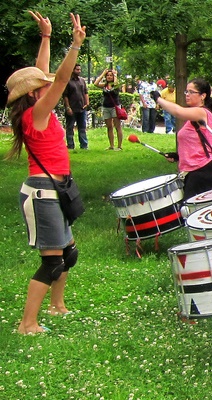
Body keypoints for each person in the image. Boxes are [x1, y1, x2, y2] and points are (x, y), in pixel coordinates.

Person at [6, 11, 86, 334]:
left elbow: (42, 72)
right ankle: (27, 324)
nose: (46, 83)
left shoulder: (37, 107)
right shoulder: (36, 113)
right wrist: (75, 45)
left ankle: (57, 306)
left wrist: (46, 37)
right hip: (42, 192)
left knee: (69, 253)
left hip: (58, 188)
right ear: (31, 94)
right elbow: (62, 79)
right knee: (52, 262)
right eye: (40, 85)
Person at [150, 78, 212, 201]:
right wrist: (178, 156)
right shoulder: (194, 115)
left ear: (203, 96)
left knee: (188, 211)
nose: (187, 95)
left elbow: (178, 111)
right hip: (195, 169)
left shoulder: (202, 112)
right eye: (186, 92)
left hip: (202, 169)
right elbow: (196, 143)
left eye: (191, 92)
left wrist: (158, 99)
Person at [94, 69, 123, 151]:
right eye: (108, 75)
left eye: (111, 75)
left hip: (115, 107)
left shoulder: (116, 85)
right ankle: (111, 145)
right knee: (109, 127)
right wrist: (103, 73)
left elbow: (117, 84)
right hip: (106, 107)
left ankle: (119, 146)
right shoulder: (104, 85)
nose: (109, 77)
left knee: (117, 126)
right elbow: (95, 84)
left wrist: (115, 75)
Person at [63, 63, 89, 149]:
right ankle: (70, 145)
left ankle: (84, 145)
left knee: (82, 127)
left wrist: (87, 102)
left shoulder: (82, 80)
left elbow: (85, 92)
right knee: (70, 127)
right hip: (72, 108)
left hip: (81, 108)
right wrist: (68, 107)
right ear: (72, 70)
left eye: (80, 69)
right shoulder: (68, 81)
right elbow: (65, 96)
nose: (79, 71)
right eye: (77, 69)